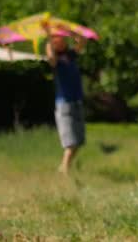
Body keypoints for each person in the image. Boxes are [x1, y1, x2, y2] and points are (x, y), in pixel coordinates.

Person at [43, 23, 87, 174]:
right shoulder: (55, 60)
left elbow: (82, 41)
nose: (60, 41)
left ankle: (63, 169)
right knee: (70, 142)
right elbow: (51, 58)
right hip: (65, 104)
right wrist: (48, 34)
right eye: (56, 39)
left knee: (79, 141)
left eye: (61, 39)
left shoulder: (70, 55)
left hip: (77, 101)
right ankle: (64, 171)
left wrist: (69, 31)